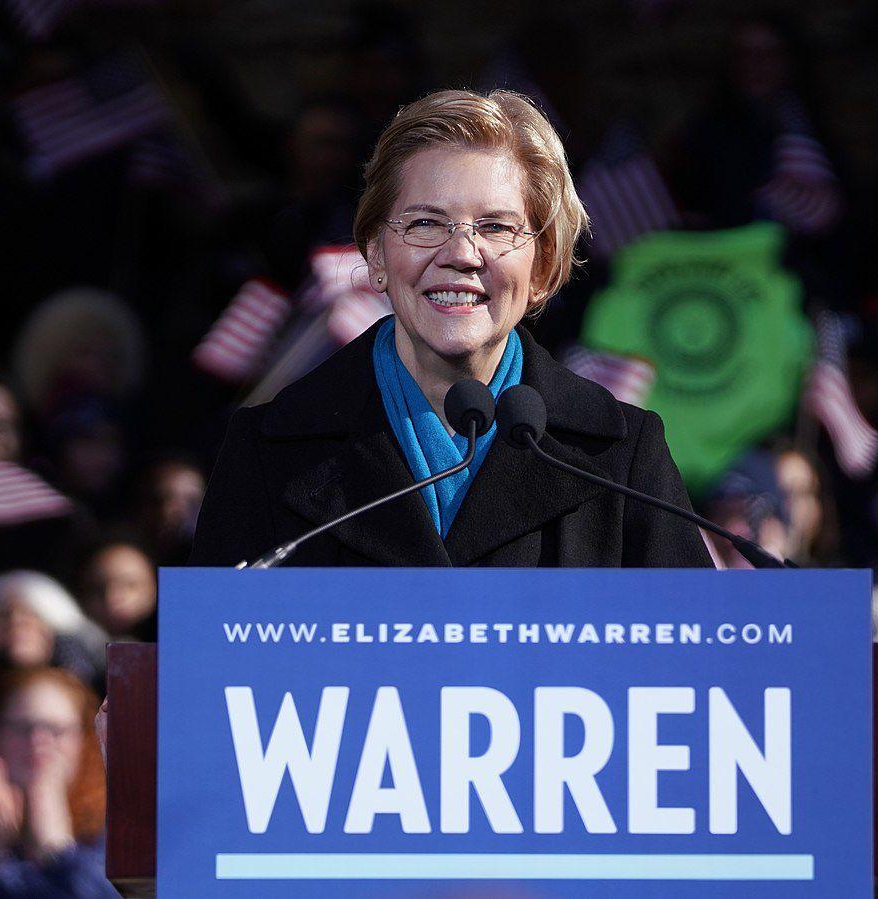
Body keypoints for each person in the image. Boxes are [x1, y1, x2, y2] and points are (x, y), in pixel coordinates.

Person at [190, 89, 712, 568]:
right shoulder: (265, 450)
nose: (461, 255)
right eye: (425, 223)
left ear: (544, 264)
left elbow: (693, 655)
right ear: (374, 254)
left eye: (496, 227)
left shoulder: (624, 457)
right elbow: (215, 657)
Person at [0, 667, 118, 898]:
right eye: (22, 728)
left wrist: (58, 852)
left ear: (84, 740)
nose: (38, 741)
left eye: (56, 730)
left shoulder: (112, 836)